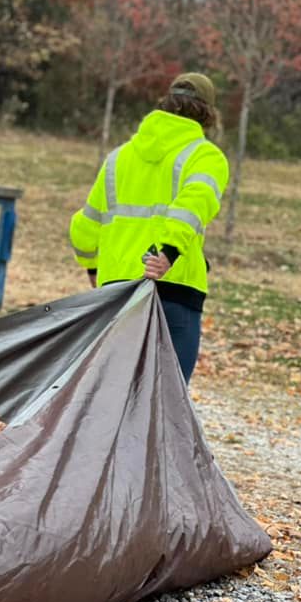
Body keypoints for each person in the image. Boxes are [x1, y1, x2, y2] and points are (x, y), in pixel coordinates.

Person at [69, 73, 229, 384]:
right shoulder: (206, 157)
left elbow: (85, 225)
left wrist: (93, 267)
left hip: (116, 293)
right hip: (174, 289)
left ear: (166, 104)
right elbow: (194, 205)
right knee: (166, 399)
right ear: (208, 113)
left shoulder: (119, 158)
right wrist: (168, 253)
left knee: (116, 394)